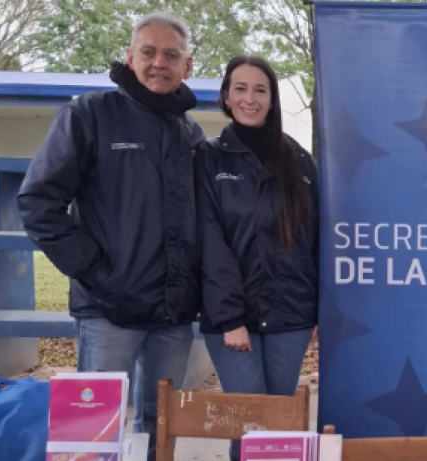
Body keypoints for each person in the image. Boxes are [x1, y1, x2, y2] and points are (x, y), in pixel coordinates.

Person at [17, 11, 204, 461]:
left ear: (187, 66)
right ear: (130, 56)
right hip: (107, 311)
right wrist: (97, 271)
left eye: (171, 55)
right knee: (92, 432)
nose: (159, 63)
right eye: (149, 52)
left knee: (162, 427)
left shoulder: (191, 133)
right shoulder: (90, 114)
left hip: (173, 313)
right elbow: (38, 202)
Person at [195, 55, 319, 461]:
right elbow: (208, 241)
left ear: (272, 99)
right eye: (241, 89)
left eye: (260, 90)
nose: (251, 98)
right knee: (248, 423)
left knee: (278, 426)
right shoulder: (207, 158)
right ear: (227, 97)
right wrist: (230, 318)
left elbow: (314, 238)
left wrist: (317, 309)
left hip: (290, 316)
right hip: (234, 320)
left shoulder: (298, 161)